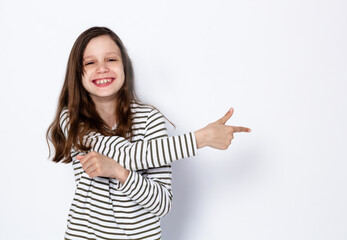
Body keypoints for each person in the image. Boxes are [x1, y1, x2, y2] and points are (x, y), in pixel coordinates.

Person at [47, 26, 251, 240]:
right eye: (90, 62)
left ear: (124, 66)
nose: (102, 68)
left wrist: (120, 173)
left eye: (111, 59)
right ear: (77, 74)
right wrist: (200, 138)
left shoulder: (150, 119)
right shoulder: (71, 119)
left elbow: (162, 204)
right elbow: (121, 153)